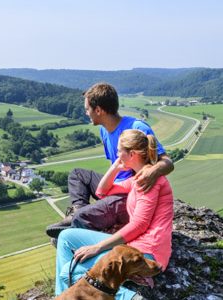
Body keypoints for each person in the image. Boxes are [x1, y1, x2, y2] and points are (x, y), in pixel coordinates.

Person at [54, 129, 174, 299]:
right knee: (66, 237)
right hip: (135, 243)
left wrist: (98, 247)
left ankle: (129, 297)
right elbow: (102, 191)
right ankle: (61, 296)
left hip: (148, 249)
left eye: (119, 151)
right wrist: (116, 166)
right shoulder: (138, 177)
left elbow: (140, 225)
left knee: (68, 272)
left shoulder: (148, 181)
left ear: (131, 154)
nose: (116, 154)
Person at [47, 83, 174, 238]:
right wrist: (105, 185)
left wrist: (152, 172)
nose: (86, 113)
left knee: (86, 216)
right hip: (116, 186)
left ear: (99, 110)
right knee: (77, 175)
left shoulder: (136, 127)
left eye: (87, 109)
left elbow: (168, 163)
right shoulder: (104, 130)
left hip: (129, 194)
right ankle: (77, 212)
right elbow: (115, 165)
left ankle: (80, 221)